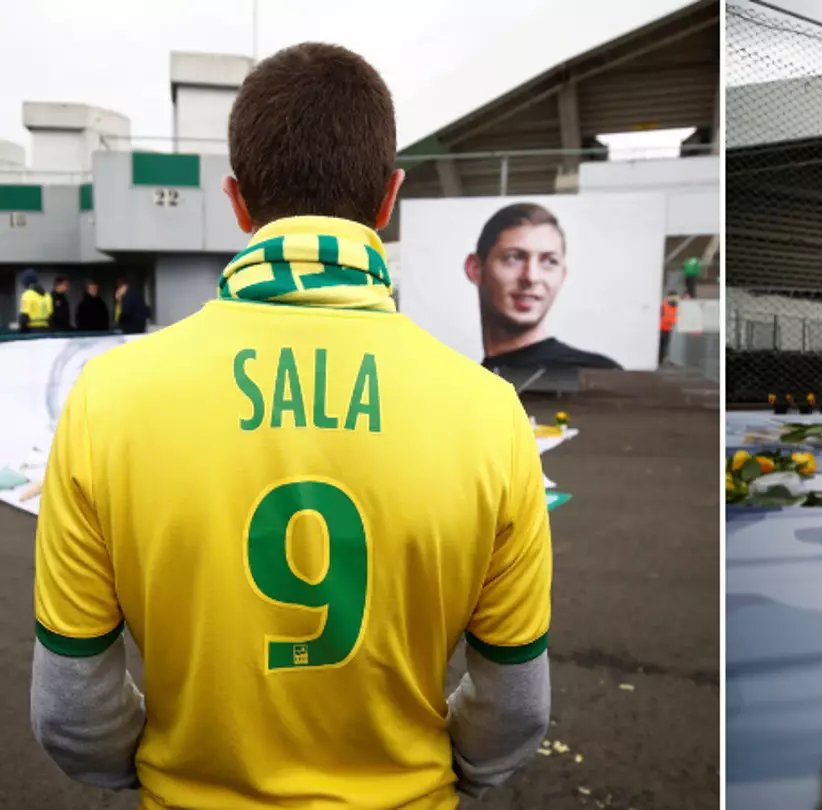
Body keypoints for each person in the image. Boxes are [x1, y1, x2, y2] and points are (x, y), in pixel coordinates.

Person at [31, 43, 552, 807]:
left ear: (238, 202)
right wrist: (455, 773)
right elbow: (517, 707)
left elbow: (71, 709)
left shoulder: (106, 399)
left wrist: (154, 773)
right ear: (389, 199)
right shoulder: (491, 414)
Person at [464, 202, 620, 370]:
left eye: (549, 262)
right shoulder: (464, 386)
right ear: (475, 269)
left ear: (562, 275)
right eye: (513, 258)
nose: (531, 277)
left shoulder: (595, 375)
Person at [17, 268, 53, 333]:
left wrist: (21, 332)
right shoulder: (47, 295)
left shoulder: (27, 295)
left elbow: (24, 317)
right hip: (46, 331)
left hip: (32, 331)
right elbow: (51, 316)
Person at [660, 290, 679, 365]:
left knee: (671, 345)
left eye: (675, 297)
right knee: (662, 345)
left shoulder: (679, 306)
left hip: (673, 330)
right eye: (672, 297)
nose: (673, 299)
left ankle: (670, 359)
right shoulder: (663, 305)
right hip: (663, 329)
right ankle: (661, 360)